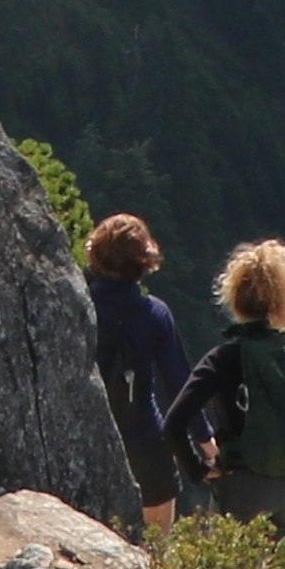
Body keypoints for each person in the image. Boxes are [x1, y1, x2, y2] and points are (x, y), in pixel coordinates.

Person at [161, 239, 285, 524]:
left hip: (240, 483)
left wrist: (198, 469)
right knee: (277, 565)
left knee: (236, 566)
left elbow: (174, 424)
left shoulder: (224, 357)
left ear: (235, 296)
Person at [81, 213, 192, 536]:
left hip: (88, 439)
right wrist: (204, 441)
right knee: (155, 548)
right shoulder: (155, 313)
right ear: (145, 261)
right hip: (145, 440)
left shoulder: (77, 301)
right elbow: (179, 381)